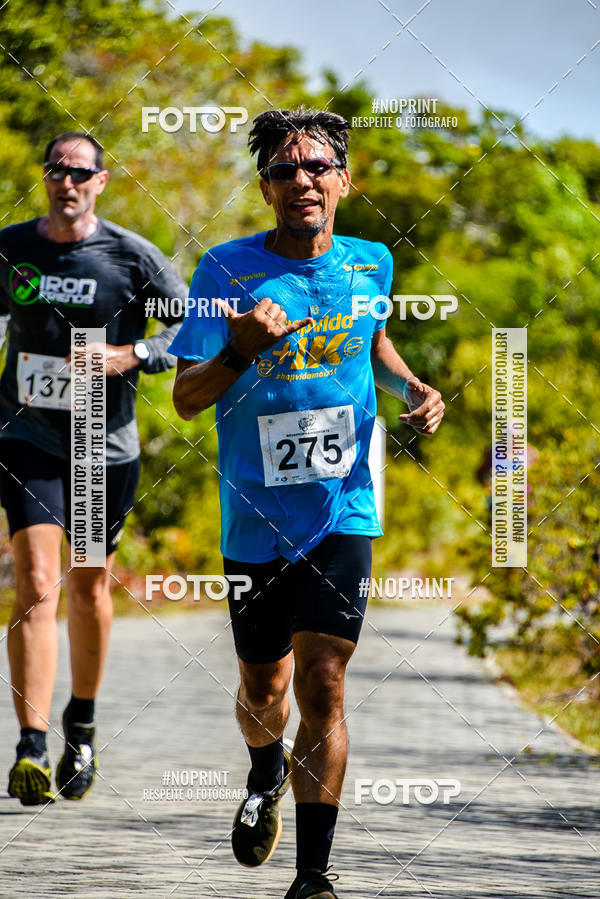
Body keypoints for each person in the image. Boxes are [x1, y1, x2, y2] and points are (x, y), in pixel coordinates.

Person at [171, 108, 445, 899]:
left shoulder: (372, 262)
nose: (304, 181)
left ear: (344, 180)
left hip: (343, 509)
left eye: (319, 166)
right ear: (265, 188)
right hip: (253, 517)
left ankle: (314, 876)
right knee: (266, 688)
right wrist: (238, 349)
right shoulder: (224, 273)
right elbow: (188, 398)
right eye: (287, 170)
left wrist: (413, 387)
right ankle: (263, 773)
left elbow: (375, 343)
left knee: (324, 678)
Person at [0, 131, 185, 805]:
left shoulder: (131, 257)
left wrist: (127, 355)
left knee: (86, 587)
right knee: (37, 579)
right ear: (45, 178)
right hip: (27, 436)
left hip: (98, 446)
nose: (67, 182)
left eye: (81, 172)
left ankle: (81, 719)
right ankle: (30, 744)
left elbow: (187, 329)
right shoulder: (13, 248)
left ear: (102, 181)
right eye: (57, 170)